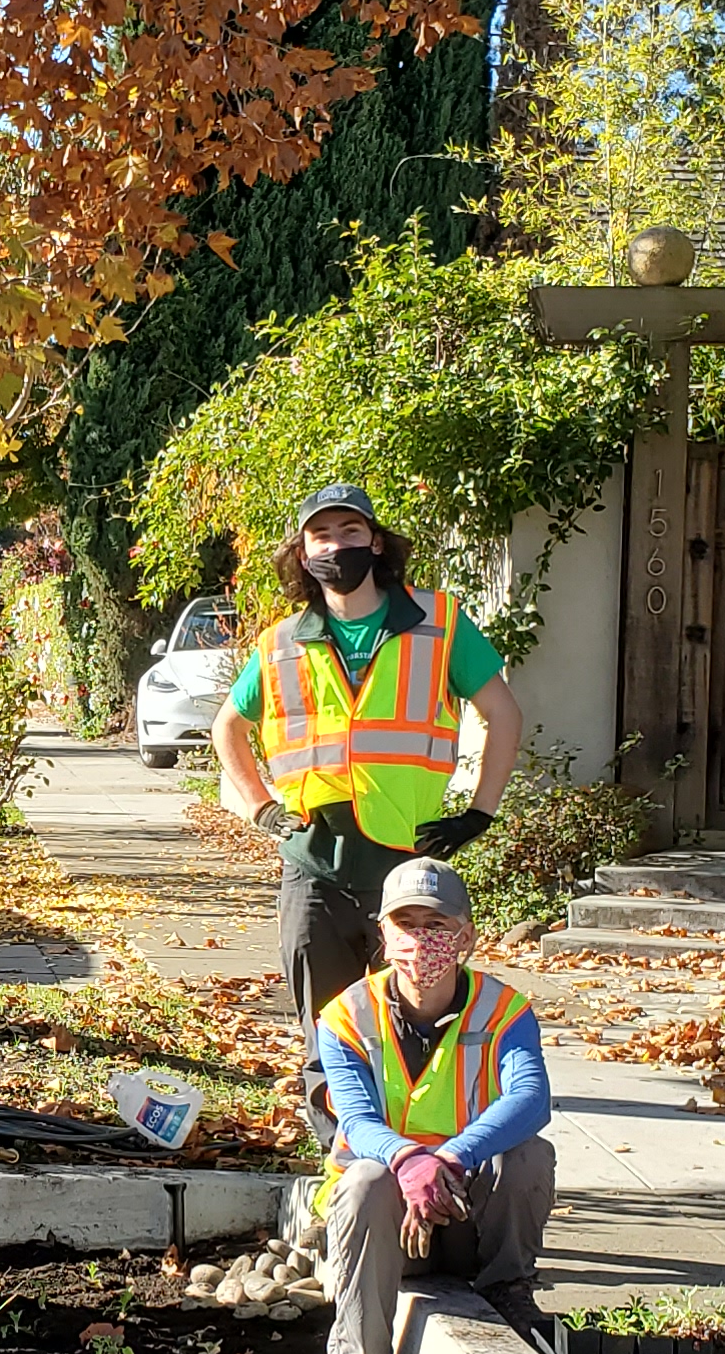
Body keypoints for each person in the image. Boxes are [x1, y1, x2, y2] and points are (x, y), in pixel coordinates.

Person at [213, 483, 524, 1128]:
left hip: (407, 865)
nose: (336, 547)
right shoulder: (281, 643)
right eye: (321, 536)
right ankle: (342, 1158)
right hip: (315, 861)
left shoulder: (436, 623)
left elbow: (503, 713)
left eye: (351, 532)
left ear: (375, 543)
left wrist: (479, 813)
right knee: (328, 1027)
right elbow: (228, 730)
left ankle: (421, 1153)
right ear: (301, 553)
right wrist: (261, 808)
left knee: (415, 1021)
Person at [310, 857, 555, 1354]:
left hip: (467, 1208)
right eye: (406, 924)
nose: (421, 940)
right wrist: (407, 1159)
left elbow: (531, 1098)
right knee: (364, 1180)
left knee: (528, 1154)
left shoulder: (504, 1010)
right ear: (384, 934)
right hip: (388, 1226)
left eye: (437, 926)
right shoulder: (346, 1016)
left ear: (466, 936)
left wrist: (451, 1156)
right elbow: (356, 1115)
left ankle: (508, 1289)